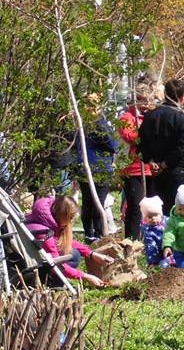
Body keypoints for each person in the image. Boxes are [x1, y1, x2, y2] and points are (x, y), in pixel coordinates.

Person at [26, 195, 113, 287]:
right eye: (70, 218)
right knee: (74, 256)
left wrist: (92, 254)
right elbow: (55, 264)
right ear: (63, 214)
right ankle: (53, 282)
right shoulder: (44, 233)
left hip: (39, 259)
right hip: (42, 266)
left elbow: (65, 241)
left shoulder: (45, 220)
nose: (71, 222)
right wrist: (85, 276)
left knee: (74, 253)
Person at [139, 79, 184, 215]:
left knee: (161, 213)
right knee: (182, 214)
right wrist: (163, 164)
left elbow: (141, 143)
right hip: (178, 171)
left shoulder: (150, 116)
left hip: (158, 173)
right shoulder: (182, 118)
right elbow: (183, 147)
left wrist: (151, 161)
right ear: (183, 98)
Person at [117, 77, 162, 240]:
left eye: (147, 100)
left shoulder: (152, 115)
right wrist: (146, 130)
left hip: (152, 167)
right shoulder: (126, 118)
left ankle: (152, 237)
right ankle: (132, 239)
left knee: (153, 205)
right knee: (135, 206)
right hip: (133, 168)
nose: (144, 104)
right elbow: (131, 137)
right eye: (141, 100)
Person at [74, 93, 119, 242]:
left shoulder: (80, 123)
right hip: (99, 168)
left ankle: (89, 233)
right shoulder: (99, 124)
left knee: (87, 201)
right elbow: (113, 145)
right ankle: (99, 234)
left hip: (83, 166)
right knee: (98, 202)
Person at [139, 195, 167, 267]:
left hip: (171, 251)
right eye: (149, 217)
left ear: (161, 215)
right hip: (158, 256)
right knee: (162, 266)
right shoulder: (148, 231)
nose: (153, 218)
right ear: (145, 219)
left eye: (156, 215)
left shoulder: (168, 223)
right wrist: (152, 262)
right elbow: (150, 247)